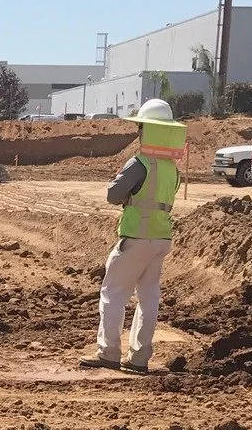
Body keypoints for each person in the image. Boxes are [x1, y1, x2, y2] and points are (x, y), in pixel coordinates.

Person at [80, 97, 188, 373]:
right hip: (161, 238)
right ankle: (139, 358)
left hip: (136, 236)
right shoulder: (171, 169)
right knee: (148, 297)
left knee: (113, 293)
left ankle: (109, 352)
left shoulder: (139, 163)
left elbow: (113, 195)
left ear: (147, 129)